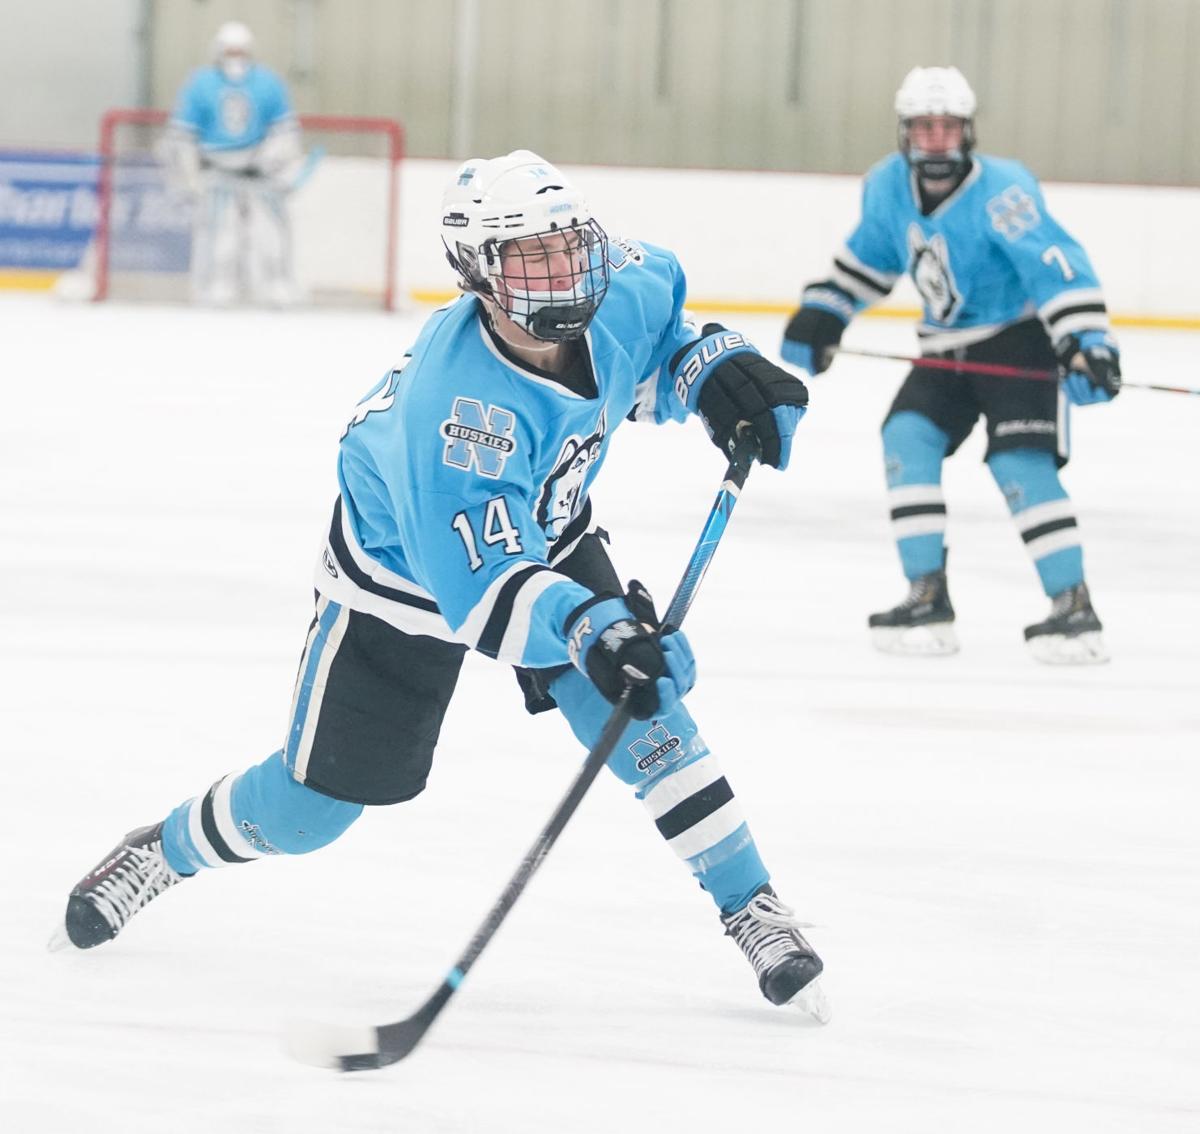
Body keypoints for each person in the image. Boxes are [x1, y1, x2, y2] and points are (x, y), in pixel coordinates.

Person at [53, 151, 827, 1021]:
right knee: (312, 813)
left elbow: (667, 341)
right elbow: (488, 596)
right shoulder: (454, 415)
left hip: (546, 528)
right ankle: (165, 850)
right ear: (478, 274)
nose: (563, 271)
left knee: (649, 720)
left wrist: (717, 371)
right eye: (531, 258)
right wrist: (597, 631)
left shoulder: (623, 286)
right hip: (402, 580)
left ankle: (749, 903)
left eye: (569, 245)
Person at [782, 66, 1119, 665]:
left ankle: (1073, 604)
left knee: (1020, 463)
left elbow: (1055, 263)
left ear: (968, 130)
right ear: (905, 131)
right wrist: (824, 311)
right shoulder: (886, 185)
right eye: (923, 127)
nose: (936, 138)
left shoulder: (1004, 191)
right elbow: (870, 256)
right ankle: (926, 594)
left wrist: (1087, 340)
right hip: (943, 347)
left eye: (948, 126)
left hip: (1016, 342)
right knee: (905, 438)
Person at [163, 21, 303, 306]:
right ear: (217, 51)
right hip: (217, 170)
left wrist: (273, 158)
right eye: (229, 51)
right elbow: (183, 134)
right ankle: (217, 284)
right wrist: (189, 173)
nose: (235, 56)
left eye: (240, 51)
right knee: (219, 233)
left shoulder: (268, 82)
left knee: (272, 232)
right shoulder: (201, 83)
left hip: (258, 172)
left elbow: (286, 131)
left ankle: (276, 283)